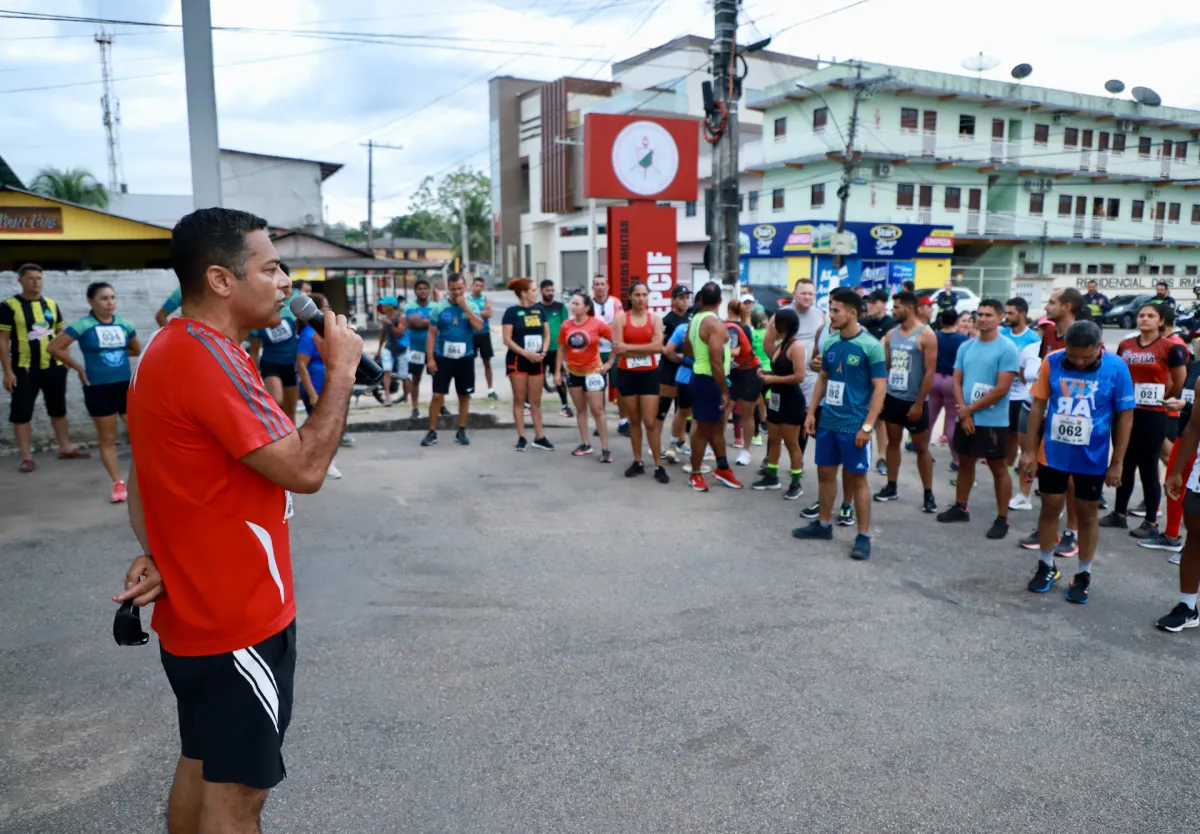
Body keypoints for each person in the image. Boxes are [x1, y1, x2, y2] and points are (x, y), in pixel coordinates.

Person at [115, 207, 361, 832]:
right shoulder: (208, 358)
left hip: (203, 620)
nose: (287, 283)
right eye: (272, 267)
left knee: (201, 763)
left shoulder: (170, 349)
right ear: (223, 280)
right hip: (238, 623)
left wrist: (166, 556)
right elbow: (305, 469)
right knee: (239, 798)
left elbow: (145, 480)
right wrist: (341, 374)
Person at [1022, 320, 1133, 605]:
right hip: (1053, 454)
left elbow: (1125, 417)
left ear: (1100, 347)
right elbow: (1037, 406)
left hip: (1093, 457)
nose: (1079, 362)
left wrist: (1117, 461)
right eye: (1073, 356)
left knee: (1087, 514)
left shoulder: (1117, 367)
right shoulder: (1052, 361)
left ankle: (1083, 573)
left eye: (1086, 356)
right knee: (1049, 507)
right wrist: (1029, 451)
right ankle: (1047, 565)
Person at [792, 287, 886, 559]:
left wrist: (868, 426)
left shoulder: (871, 346)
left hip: (855, 425)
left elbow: (880, 388)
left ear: (852, 313)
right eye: (830, 309)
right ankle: (823, 524)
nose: (831, 315)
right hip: (828, 422)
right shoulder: (831, 342)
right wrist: (811, 413)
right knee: (824, 474)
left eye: (836, 310)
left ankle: (863, 535)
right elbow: (823, 378)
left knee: (858, 482)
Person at [47, 281, 141, 501]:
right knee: (107, 437)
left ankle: (148, 479)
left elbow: (136, 349)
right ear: (91, 301)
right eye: (103, 298)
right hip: (98, 388)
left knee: (141, 434)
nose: (109, 303)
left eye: (112, 297)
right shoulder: (83, 325)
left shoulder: (124, 324)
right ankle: (118, 483)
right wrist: (78, 367)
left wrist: (113, 354)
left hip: (124, 386)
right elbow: (53, 347)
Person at [1101, 301, 1187, 536]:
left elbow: (1179, 379)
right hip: (1126, 411)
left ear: (1160, 322)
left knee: (1148, 465)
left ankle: (1151, 521)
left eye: (1151, 316)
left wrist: (1164, 397)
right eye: (1141, 315)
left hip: (1153, 413)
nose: (1145, 319)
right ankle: (1119, 514)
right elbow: (1118, 372)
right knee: (1124, 461)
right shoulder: (1126, 344)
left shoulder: (1170, 348)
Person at [936, 299, 1020, 539]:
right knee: (965, 462)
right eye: (980, 314)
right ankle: (960, 506)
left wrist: (969, 410)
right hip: (966, 416)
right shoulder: (966, 346)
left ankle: (1002, 518)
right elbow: (957, 379)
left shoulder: (1007, 348)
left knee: (998, 468)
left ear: (1000, 318)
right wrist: (963, 410)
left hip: (993, 420)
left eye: (989, 315)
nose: (982, 319)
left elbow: (1001, 388)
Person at [0, 263, 89, 472]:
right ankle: (26, 457)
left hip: (54, 367)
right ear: (20, 281)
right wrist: (7, 371)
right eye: (31, 278)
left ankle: (65, 448)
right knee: (22, 413)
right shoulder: (9, 306)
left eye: (39, 278)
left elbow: (61, 336)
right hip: (24, 368)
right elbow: (2, 340)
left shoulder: (50, 304)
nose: (36, 282)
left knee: (58, 409)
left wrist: (66, 362)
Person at [874, 291, 938, 512]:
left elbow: (930, 372)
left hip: (915, 401)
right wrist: (883, 397)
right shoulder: (892, 335)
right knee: (893, 442)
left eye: (897, 307)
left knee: (921, 448)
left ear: (909, 308)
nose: (893, 310)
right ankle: (891, 486)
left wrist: (919, 403)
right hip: (894, 398)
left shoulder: (926, 335)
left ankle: (928, 493)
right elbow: (888, 368)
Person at [1145, 343, 1200, 558]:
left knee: (1194, 493)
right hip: (1186, 433)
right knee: (1174, 483)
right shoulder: (1194, 366)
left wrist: (1184, 406)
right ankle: (1172, 536)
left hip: (1195, 436)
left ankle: (1192, 546)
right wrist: (1182, 406)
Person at [684, 282, 741, 491]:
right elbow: (716, 360)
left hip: (701, 376)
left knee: (717, 427)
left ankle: (722, 467)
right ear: (720, 301)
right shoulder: (715, 325)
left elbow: (687, 349)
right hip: (709, 380)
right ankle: (695, 473)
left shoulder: (695, 320)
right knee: (703, 429)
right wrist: (725, 391)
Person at [421, 274, 483, 448]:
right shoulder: (439, 308)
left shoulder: (471, 306)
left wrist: (465, 308)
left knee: (464, 394)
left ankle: (461, 429)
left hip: (465, 357)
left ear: (466, 288)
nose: (457, 292)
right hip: (443, 357)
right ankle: (432, 431)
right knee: (437, 395)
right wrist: (430, 358)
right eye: (453, 289)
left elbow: (479, 326)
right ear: (449, 288)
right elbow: (432, 333)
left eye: (460, 289)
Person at [615, 281, 667, 482]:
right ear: (630, 297)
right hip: (627, 374)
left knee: (650, 421)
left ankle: (658, 465)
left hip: (649, 374)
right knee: (634, 421)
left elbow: (657, 347)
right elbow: (619, 349)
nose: (641, 299)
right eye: (637, 295)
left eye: (644, 295)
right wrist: (635, 348)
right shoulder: (621, 319)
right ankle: (637, 461)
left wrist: (629, 348)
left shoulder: (655, 319)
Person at [753, 306, 806, 500]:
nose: (771, 326)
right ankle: (772, 476)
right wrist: (767, 374)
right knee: (773, 439)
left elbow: (799, 376)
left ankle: (796, 482)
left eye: (774, 324)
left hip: (791, 400)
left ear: (783, 326)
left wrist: (773, 380)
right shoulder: (780, 344)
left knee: (792, 443)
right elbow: (781, 371)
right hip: (777, 398)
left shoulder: (796, 346)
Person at [555, 291, 613, 462]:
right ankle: (585, 443)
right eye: (572, 303)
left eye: (577, 304)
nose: (573, 307)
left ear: (587, 307)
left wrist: (609, 363)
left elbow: (615, 341)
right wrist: (558, 372)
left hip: (593, 372)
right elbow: (561, 348)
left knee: (598, 410)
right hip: (573, 372)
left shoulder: (597, 324)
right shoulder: (566, 325)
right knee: (581, 410)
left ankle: (605, 448)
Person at [296, 293, 344, 480]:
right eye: (326, 307)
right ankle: (323, 464)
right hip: (315, 389)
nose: (329, 311)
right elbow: (301, 365)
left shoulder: (322, 333)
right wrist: (312, 393)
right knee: (321, 430)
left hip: (326, 387)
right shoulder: (309, 335)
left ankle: (322, 462)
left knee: (329, 427)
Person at [502, 277, 552, 452]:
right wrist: (525, 353)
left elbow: (547, 335)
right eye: (533, 290)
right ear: (523, 293)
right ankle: (522, 437)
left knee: (536, 401)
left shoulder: (539, 311)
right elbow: (507, 339)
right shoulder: (511, 312)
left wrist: (543, 352)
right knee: (520, 399)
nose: (536, 292)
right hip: (518, 360)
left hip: (537, 360)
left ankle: (540, 437)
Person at [1008, 318, 1052, 512]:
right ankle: (1023, 495)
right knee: (1027, 453)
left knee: (1051, 460)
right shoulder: (1030, 350)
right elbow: (1023, 375)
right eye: (1042, 328)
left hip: (1054, 414)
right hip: (1029, 408)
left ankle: (1051, 500)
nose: (1045, 331)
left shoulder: (1067, 350)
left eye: (1049, 328)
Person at [248, 274, 302, 425]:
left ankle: (291, 442)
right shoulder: (257, 321)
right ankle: (275, 432)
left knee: (291, 411)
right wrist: (252, 376)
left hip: (291, 364)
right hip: (271, 364)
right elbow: (254, 350)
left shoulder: (289, 313)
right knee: (277, 401)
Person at [725, 298, 762, 467]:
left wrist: (714, 349)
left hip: (749, 371)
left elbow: (735, 351)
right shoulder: (722, 325)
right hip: (733, 371)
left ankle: (746, 451)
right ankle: (714, 449)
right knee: (724, 409)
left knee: (747, 412)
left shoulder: (736, 328)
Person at [658, 285, 692, 454]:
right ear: (673, 300)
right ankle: (656, 444)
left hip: (685, 371)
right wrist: (673, 356)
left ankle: (681, 441)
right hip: (668, 369)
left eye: (687, 298)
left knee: (683, 408)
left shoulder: (690, 318)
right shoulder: (667, 320)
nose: (685, 301)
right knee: (663, 407)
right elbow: (660, 344)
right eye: (681, 298)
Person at [928, 308, 967, 452]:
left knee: (930, 419)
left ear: (941, 320)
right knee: (952, 420)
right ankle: (956, 458)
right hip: (952, 381)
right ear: (956, 321)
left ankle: (923, 452)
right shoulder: (963, 339)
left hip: (934, 378)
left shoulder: (933, 336)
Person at [592, 274, 626, 433]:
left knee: (620, 387)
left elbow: (619, 323)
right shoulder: (589, 304)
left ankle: (623, 422)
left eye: (602, 283)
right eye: (597, 284)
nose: (600, 287)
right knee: (598, 389)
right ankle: (601, 422)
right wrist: (606, 326)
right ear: (593, 288)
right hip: (595, 352)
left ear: (608, 286)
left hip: (614, 350)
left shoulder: (615, 302)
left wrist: (600, 327)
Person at [536, 279, 572, 418]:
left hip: (557, 349)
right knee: (536, 379)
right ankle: (530, 404)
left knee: (559, 377)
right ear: (541, 292)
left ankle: (564, 405)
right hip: (540, 349)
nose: (550, 293)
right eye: (547, 290)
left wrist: (567, 351)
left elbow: (566, 328)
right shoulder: (536, 308)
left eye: (552, 290)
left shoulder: (560, 307)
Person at [663, 315, 694, 464]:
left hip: (683, 374)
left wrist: (680, 358)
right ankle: (696, 453)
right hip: (702, 375)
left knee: (681, 411)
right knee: (697, 415)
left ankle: (672, 446)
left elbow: (668, 350)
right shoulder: (711, 328)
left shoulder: (683, 328)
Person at [404, 279, 436, 419]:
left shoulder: (436, 306)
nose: (422, 291)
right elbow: (412, 323)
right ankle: (415, 408)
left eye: (425, 288)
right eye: (420, 288)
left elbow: (436, 324)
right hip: (416, 349)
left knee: (437, 379)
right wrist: (427, 322)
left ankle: (440, 405)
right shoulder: (409, 307)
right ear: (416, 291)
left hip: (434, 349)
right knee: (415, 379)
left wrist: (421, 322)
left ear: (429, 290)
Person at [373, 295, 409, 409]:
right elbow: (383, 335)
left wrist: (389, 323)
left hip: (401, 350)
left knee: (404, 375)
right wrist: (379, 349)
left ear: (391, 306)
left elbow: (399, 333)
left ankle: (406, 397)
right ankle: (387, 397)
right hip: (389, 348)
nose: (382, 306)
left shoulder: (401, 318)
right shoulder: (386, 317)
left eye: (384, 304)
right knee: (386, 371)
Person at [467, 275, 497, 400]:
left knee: (487, 363)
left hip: (484, 334)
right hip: (471, 334)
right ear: (472, 286)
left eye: (481, 286)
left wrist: (473, 312)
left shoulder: (487, 300)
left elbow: (489, 313)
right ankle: (468, 389)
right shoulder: (466, 300)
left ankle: (491, 389)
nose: (478, 288)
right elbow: (467, 315)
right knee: (468, 363)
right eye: (476, 286)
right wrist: (480, 313)